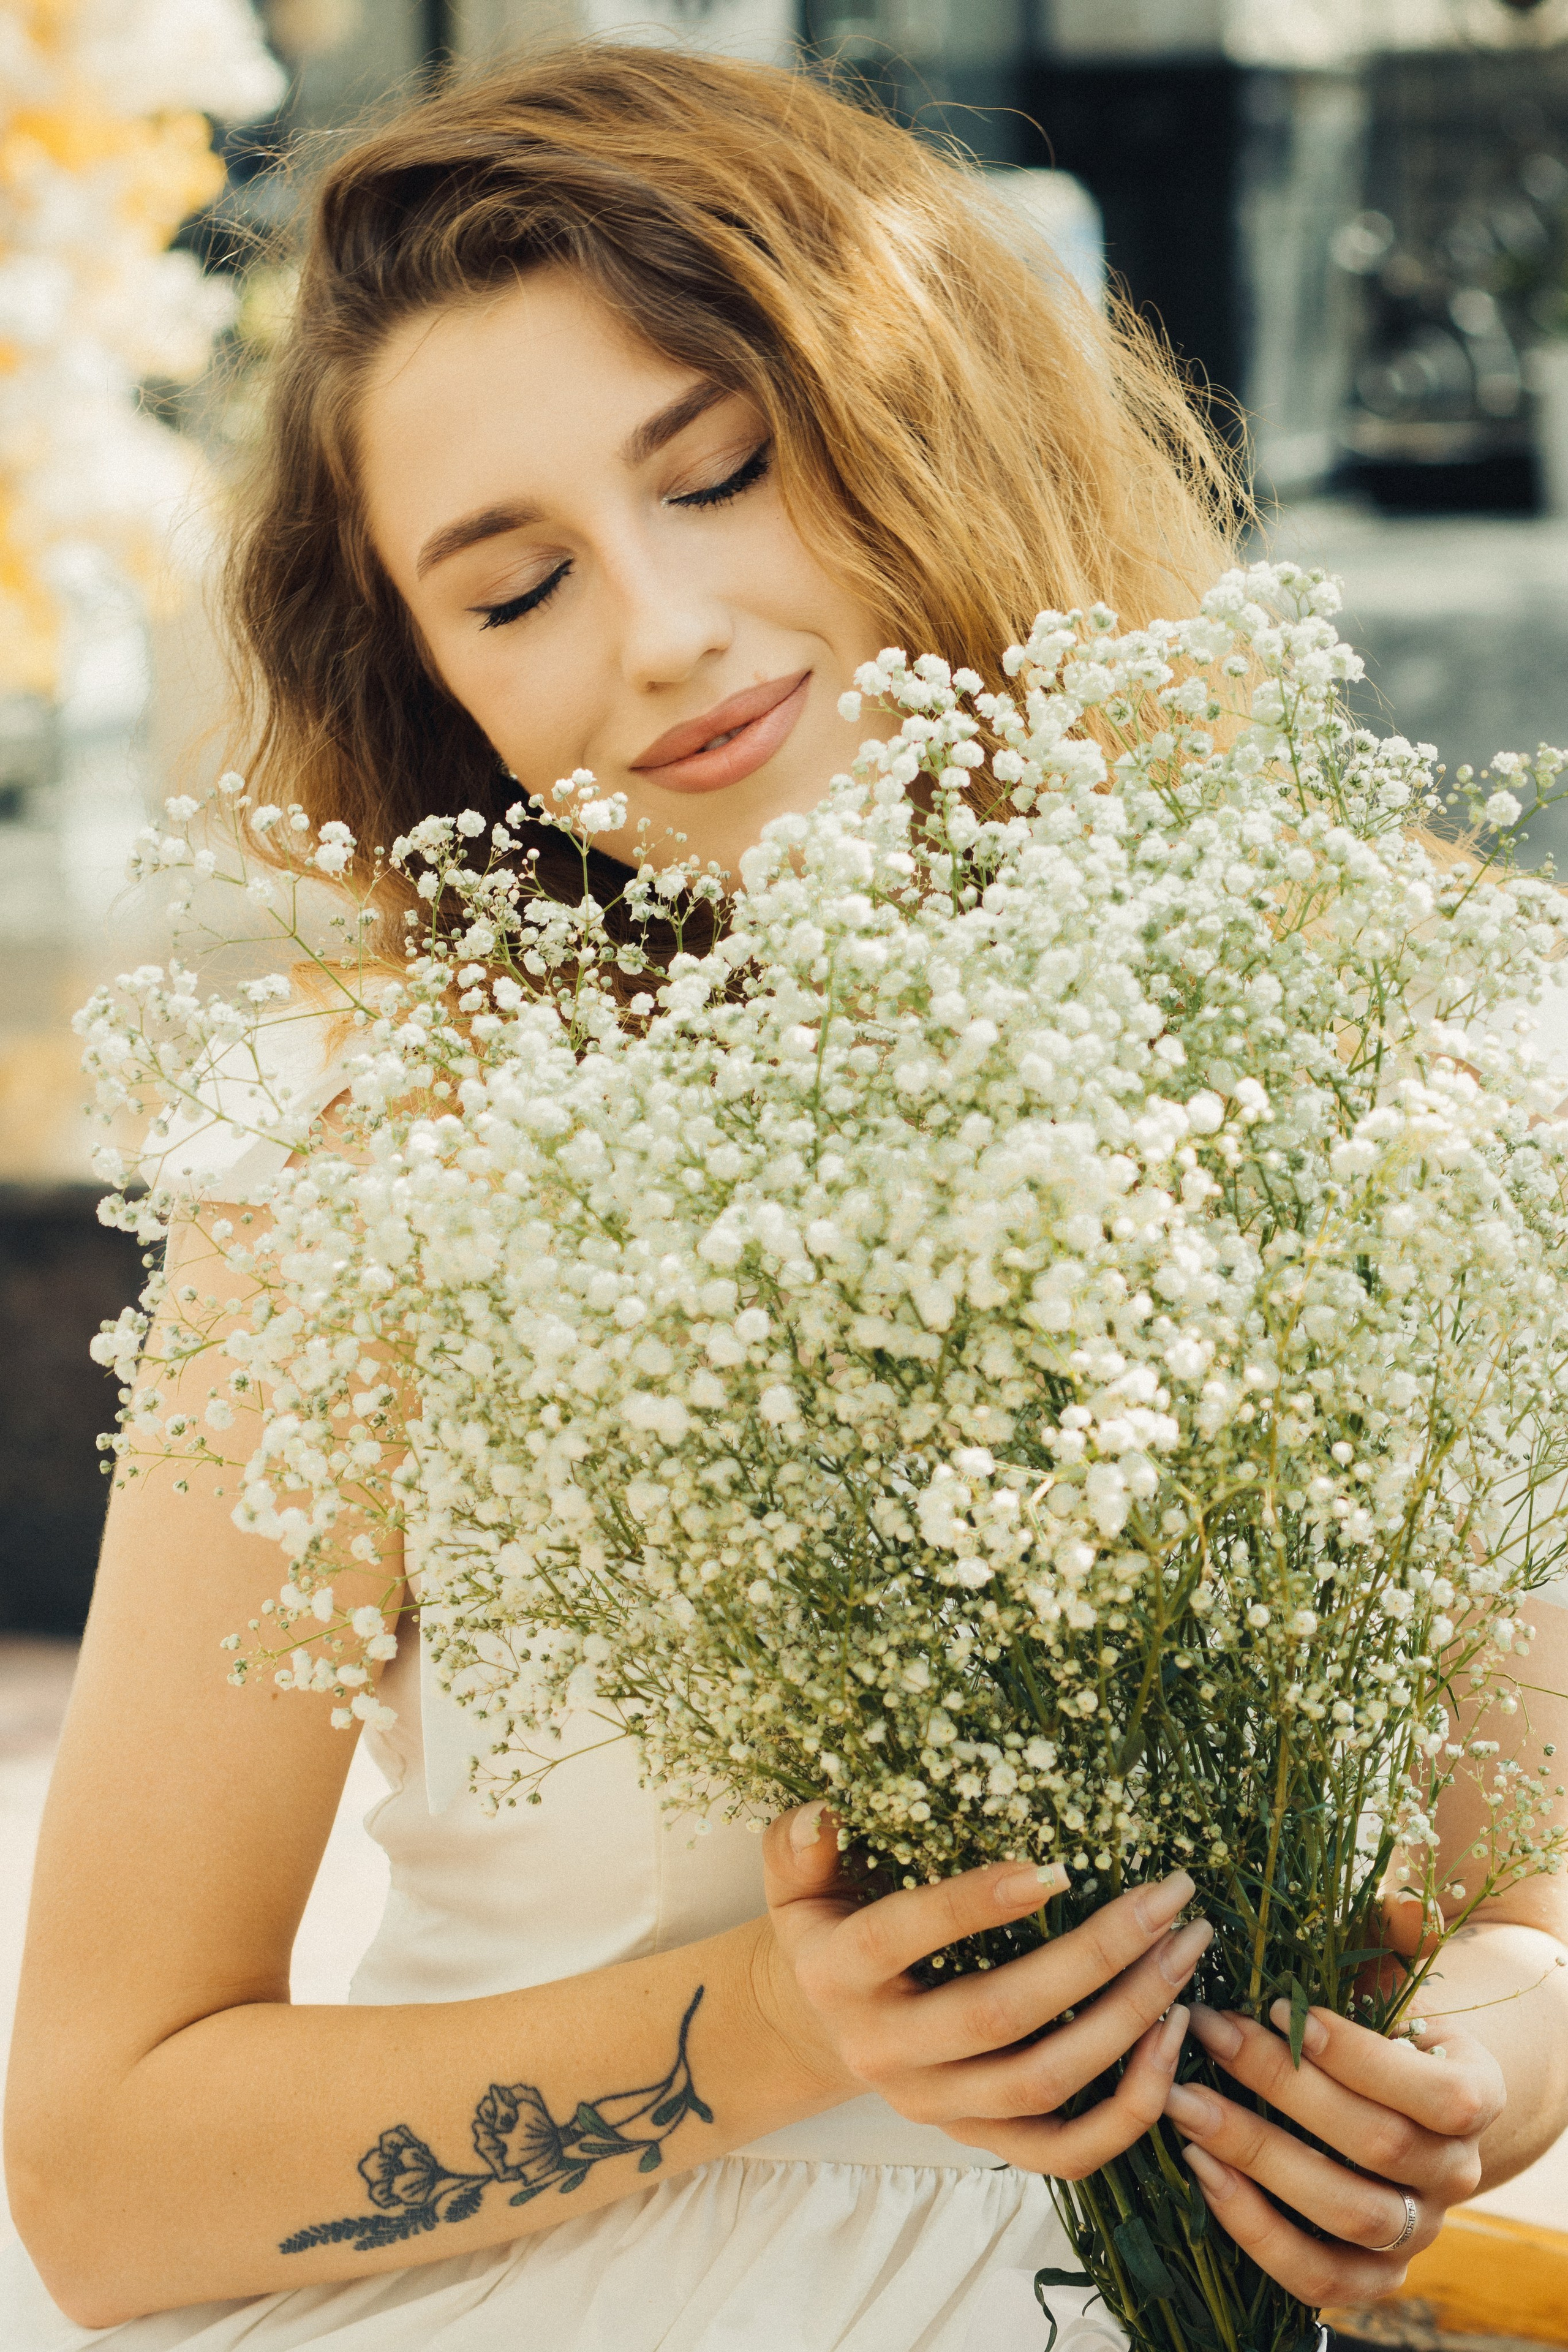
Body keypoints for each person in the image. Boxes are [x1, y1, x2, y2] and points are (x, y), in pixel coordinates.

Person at [6, 44, 1567, 2351]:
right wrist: (781, 2024)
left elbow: (1520, 1898)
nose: (657, 630)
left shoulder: (1386, 1033)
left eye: (722, 471)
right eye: (515, 589)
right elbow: (100, 2178)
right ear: (437, 693)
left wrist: (1466, 2082)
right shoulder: (378, 1168)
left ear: (926, 415)